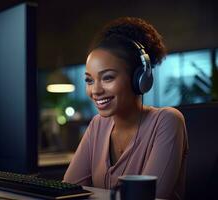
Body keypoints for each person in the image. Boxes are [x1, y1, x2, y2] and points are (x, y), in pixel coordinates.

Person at [63, 17, 189, 200]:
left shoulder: (167, 121)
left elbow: (149, 197)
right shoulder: (98, 124)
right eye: (89, 80)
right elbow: (67, 191)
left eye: (107, 78)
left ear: (140, 79)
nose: (95, 90)